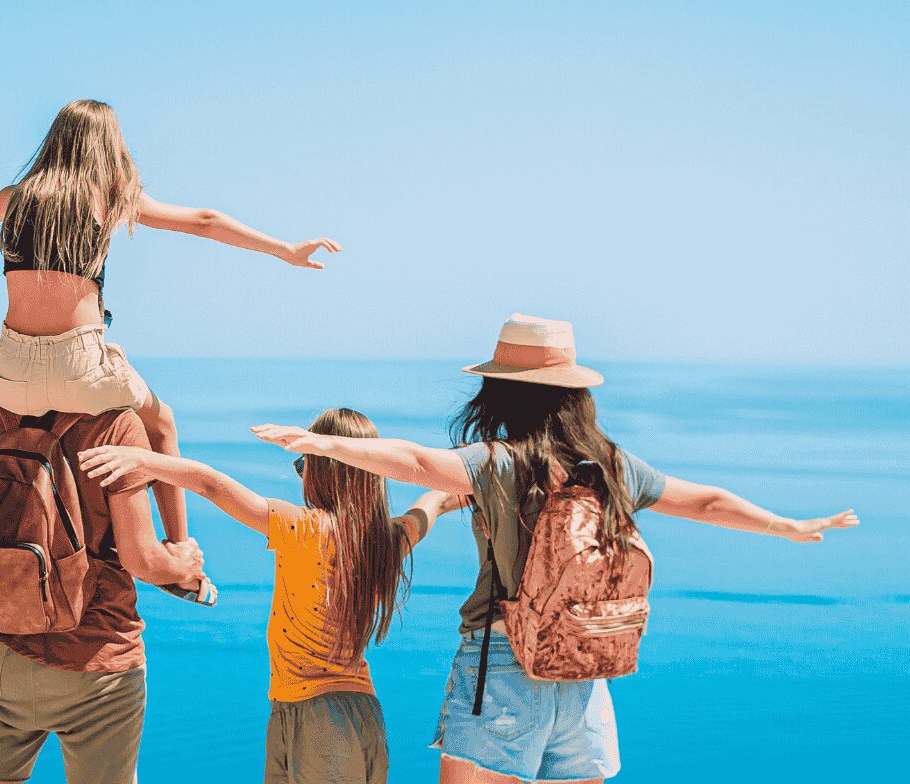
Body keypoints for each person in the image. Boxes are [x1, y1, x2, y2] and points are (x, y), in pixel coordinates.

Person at [252, 313, 861, 784]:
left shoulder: (500, 462)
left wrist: (321, 444)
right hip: (588, 668)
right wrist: (786, 525)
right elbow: (702, 500)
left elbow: (414, 463)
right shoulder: (608, 463)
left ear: (502, 393)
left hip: (503, 668)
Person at [0, 98, 340, 563]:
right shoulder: (110, 196)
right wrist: (286, 250)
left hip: (8, 373)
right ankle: (180, 546)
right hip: (80, 369)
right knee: (162, 422)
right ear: (108, 147)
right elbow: (204, 222)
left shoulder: (18, 196)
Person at [79, 408, 466, 784]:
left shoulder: (304, 529)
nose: (301, 477)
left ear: (324, 471)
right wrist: (476, 485)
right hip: (330, 710)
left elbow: (212, 484)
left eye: (304, 466)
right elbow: (434, 502)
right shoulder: (389, 539)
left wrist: (142, 460)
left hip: (320, 720)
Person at [0, 400, 207, 784]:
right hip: (97, 663)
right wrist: (184, 564)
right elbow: (141, 560)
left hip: (2, 660)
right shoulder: (113, 426)